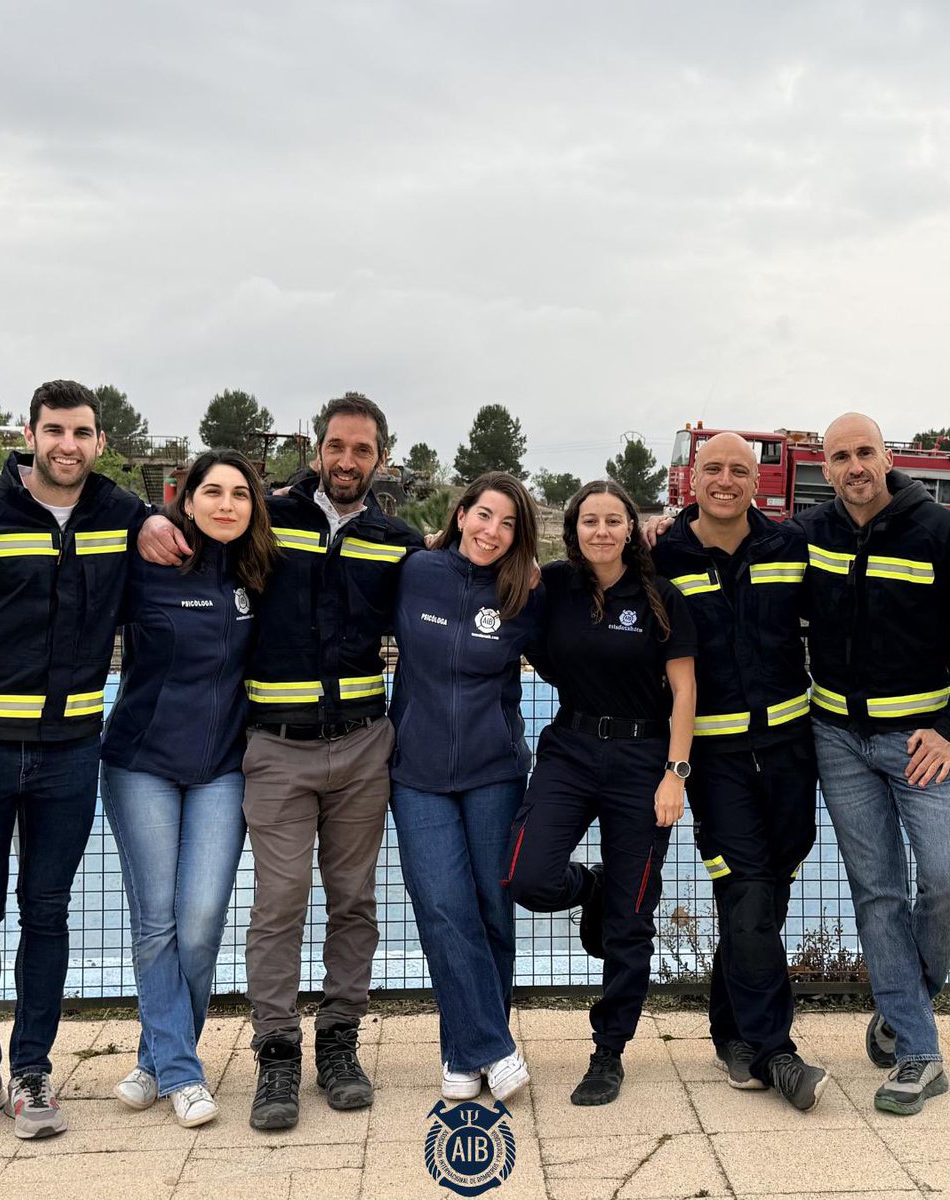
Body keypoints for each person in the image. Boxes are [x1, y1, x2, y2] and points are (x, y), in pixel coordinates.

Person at [139, 392, 425, 1131]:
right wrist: (154, 519)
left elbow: (459, 584)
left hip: (365, 745)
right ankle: (275, 1052)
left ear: (381, 458)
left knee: (354, 902)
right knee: (278, 905)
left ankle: (339, 1042)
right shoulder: (269, 514)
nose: (348, 460)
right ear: (318, 447)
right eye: (337, 446)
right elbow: (205, 516)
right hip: (275, 749)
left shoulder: (399, 538)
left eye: (363, 450)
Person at [101, 449, 277, 1128]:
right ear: (188, 498)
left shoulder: (260, 572)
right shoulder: (145, 561)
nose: (227, 504)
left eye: (240, 493)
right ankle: (180, 1071)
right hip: (140, 762)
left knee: (200, 921)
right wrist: (142, 515)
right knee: (156, 922)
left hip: (222, 768)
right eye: (213, 491)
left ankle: (154, 1058)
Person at [649, 432, 825, 1111]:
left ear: (758, 481)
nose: (725, 480)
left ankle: (732, 1037)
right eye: (713, 468)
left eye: (739, 471)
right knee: (748, 890)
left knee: (764, 896)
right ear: (693, 476)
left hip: (789, 753)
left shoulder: (790, 547)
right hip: (715, 763)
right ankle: (776, 1049)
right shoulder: (661, 555)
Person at [507, 480, 696, 1105]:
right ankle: (585, 885)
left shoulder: (659, 596)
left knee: (630, 915)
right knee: (527, 876)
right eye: (590, 521)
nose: (601, 531)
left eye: (614, 520)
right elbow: (499, 573)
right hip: (572, 749)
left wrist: (677, 772)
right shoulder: (554, 586)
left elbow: (685, 691)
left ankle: (609, 1050)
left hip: (645, 760)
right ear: (575, 528)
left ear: (630, 527)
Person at [0, 380, 146, 1139]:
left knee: (46, 914)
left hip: (72, 756)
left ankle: (30, 1074)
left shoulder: (121, 515)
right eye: (55, 431)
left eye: (82, 433)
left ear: (100, 442)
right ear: (30, 432)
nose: (68, 445)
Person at [800, 412, 950, 1116]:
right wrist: (659, 532)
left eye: (866, 453)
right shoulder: (813, 533)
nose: (855, 466)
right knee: (878, 893)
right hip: (838, 738)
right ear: (824, 467)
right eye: (840, 457)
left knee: (945, 878)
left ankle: (905, 997)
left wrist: (946, 728)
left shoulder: (938, 531)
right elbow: (729, 549)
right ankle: (919, 1053)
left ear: (889, 457)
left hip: (922, 740)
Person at [389, 472, 543, 1103]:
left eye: (508, 524)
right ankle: (493, 1046)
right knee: (443, 907)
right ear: (460, 514)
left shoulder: (525, 591)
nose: (492, 532)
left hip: (493, 771)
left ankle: (465, 1049)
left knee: (491, 911)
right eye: (484, 516)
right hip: (417, 772)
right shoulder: (416, 570)